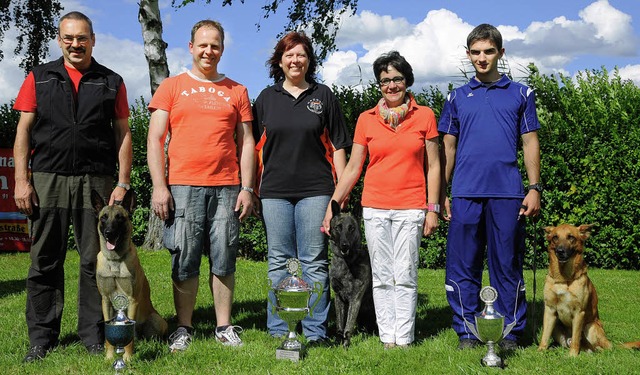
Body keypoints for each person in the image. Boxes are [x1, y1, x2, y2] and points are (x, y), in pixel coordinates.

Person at [13, 11, 132, 362]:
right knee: (44, 260)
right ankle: (42, 338)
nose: (75, 44)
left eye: (82, 38)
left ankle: (95, 335)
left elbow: (123, 132)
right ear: (59, 39)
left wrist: (122, 182)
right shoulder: (39, 77)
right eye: (69, 38)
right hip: (48, 178)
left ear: (93, 40)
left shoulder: (111, 80)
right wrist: (22, 180)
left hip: (96, 180)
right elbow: (23, 130)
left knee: (93, 261)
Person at [147, 19, 254, 352]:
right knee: (184, 258)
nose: (209, 51)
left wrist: (247, 187)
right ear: (191, 47)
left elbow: (248, 141)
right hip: (182, 186)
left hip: (226, 187)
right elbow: (154, 138)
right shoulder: (171, 86)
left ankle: (224, 326)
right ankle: (184, 327)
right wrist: (159, 186)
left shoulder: (237, 91)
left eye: (216, 45)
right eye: (203, 45)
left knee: (224, 257)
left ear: (223, 49)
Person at [322, 51, 441, 349]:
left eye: (396, 79)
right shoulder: (366, 119)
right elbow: (352, 168)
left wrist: (433, 208)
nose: (391, 86)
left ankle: (405, 336)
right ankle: (388, 336)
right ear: (379, 84)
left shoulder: (424, 115)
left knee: (406, 273)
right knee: (382, 275)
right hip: (375, 207)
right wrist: (332, 206)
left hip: (411, 207)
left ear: (407, 80)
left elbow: (434, 166)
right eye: (384, 80)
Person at [438, 23, 541, 350]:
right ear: (468, 54)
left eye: (488, 51)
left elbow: (529, 142)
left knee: (507, 266)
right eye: (476, 52)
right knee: (463, 264)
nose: (482, 58)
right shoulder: (455, 97)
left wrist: (535, 187)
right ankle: (467, 331)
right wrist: (440, 193)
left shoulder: (522, 93)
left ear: (500, 53)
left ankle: (509, 332)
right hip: (465, 192)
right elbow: (448, 148)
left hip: (508, 193)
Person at [252, 31, 351, 345]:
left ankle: (315, 330)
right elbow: (252, 149)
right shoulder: (266, 99)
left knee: (313, 262)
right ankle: (281, 327)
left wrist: (339, 197)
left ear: (309, 61)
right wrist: (252, 190)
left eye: (301, 55)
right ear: (279, 61)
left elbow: (338, 148)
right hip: (275, 192)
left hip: (317, 190)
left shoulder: (324, 96)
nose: (295, 61)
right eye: (289, 55)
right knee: (278, 261)